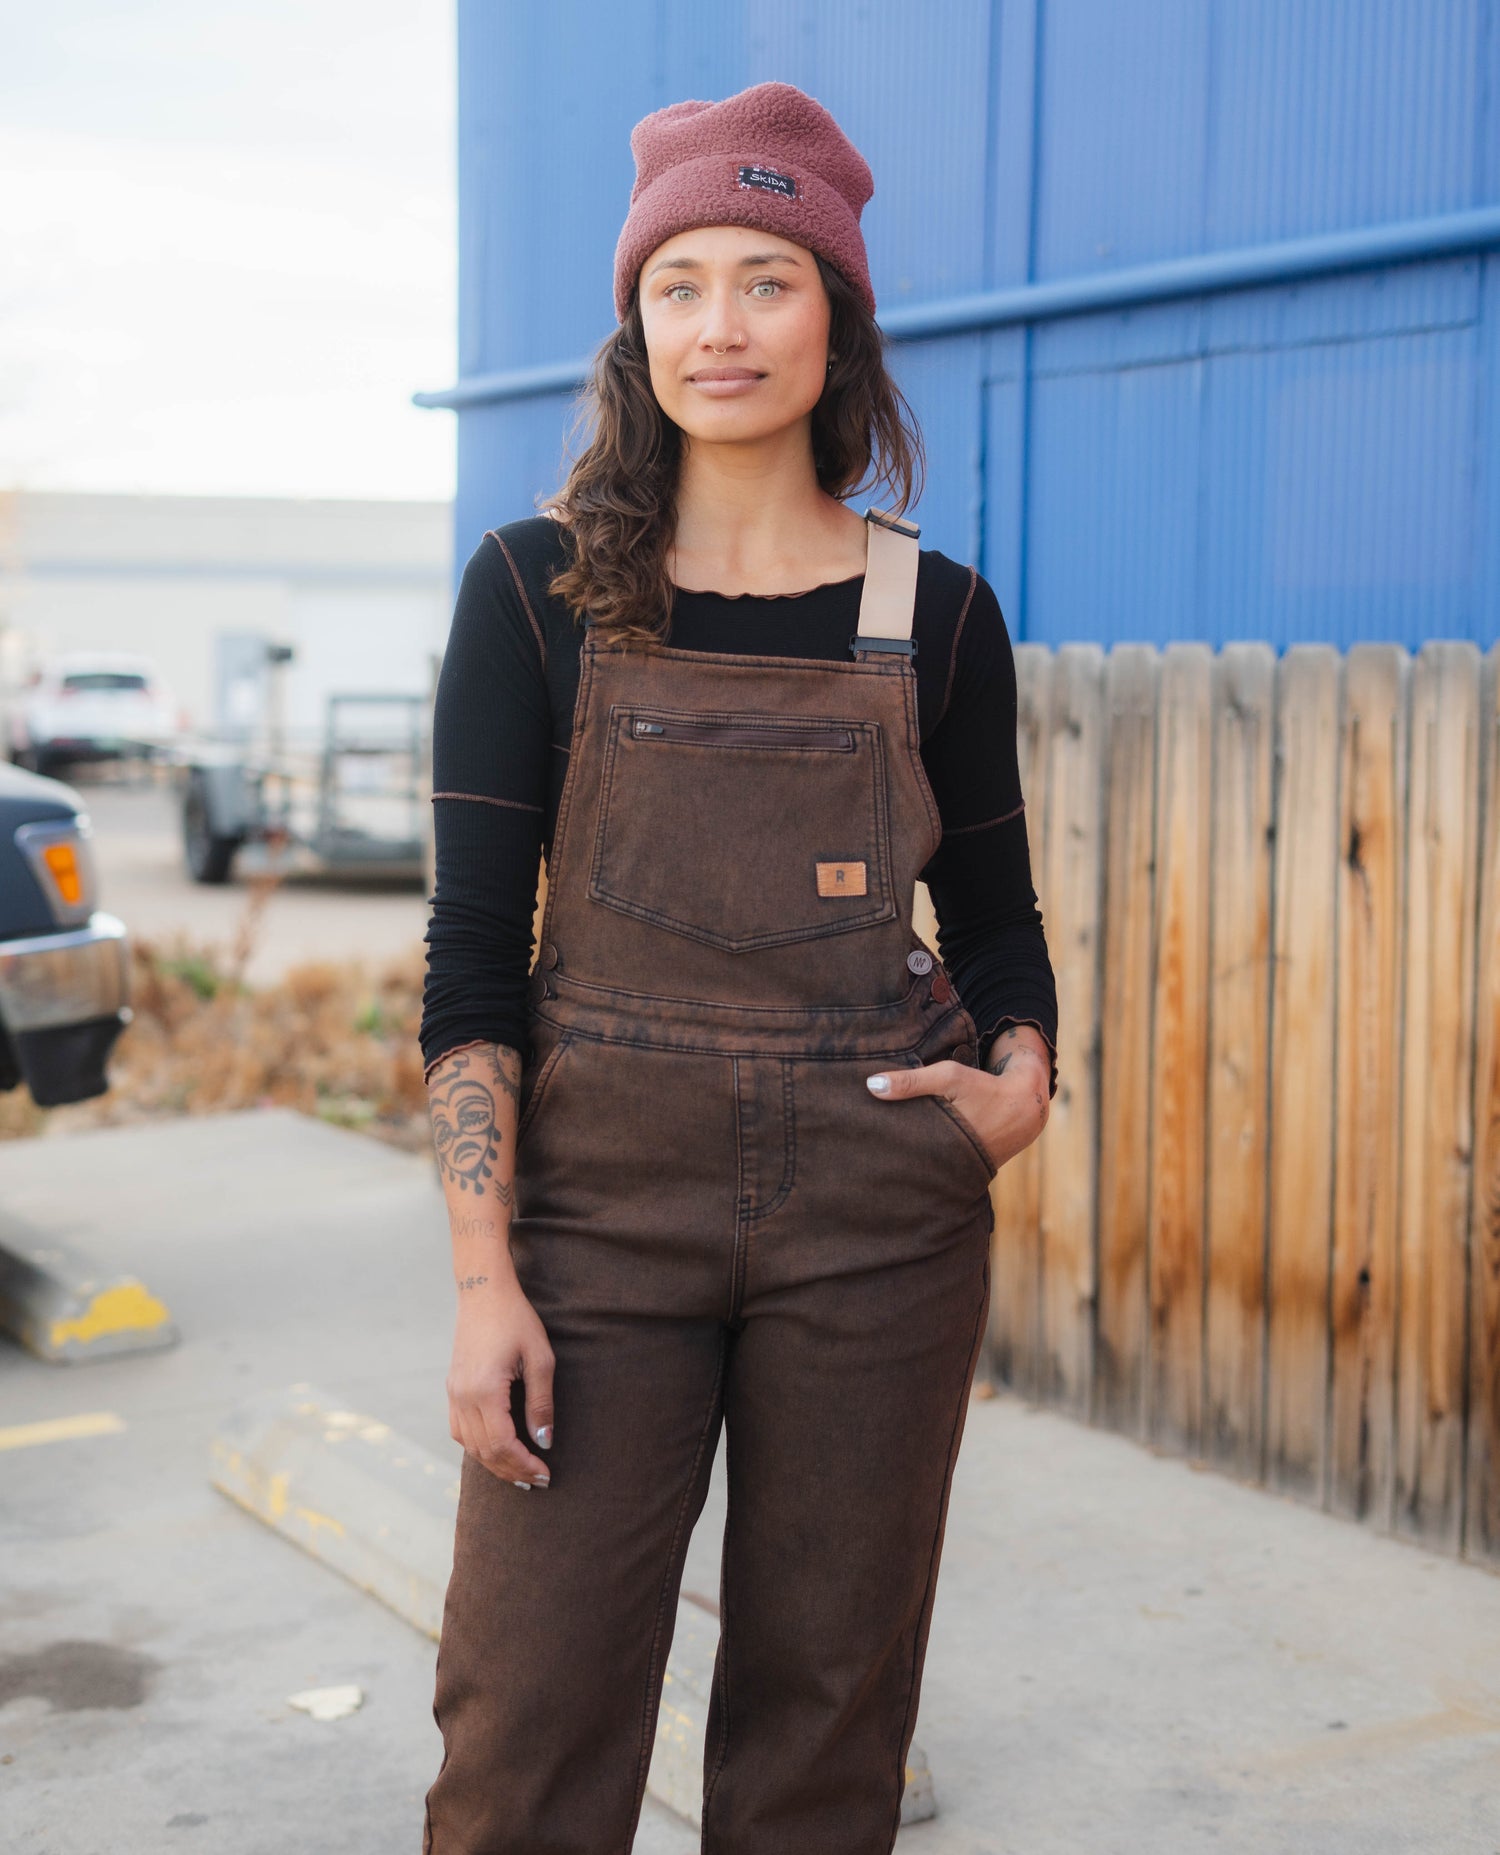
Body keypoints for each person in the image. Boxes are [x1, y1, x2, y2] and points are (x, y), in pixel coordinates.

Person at [418, 79, 1058, 1855]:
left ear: (835, 315)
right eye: (681, 279)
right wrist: (487, 1278)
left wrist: (1017, 1089)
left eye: (767, 278)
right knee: (525, 1725)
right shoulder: (535, 591)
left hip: (879, 1214)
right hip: (599, 1215)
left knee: (825, 1726)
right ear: (636, 320)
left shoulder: (935, 613)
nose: (721, 324)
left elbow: (1000, 929)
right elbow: (472, 960)